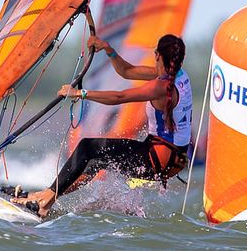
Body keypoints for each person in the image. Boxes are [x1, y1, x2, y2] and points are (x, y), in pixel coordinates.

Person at [21, 34, 192, 217]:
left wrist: (80, 93)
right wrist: (109, 50)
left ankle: (43, 201)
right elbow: (127, 71)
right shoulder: (178, 76)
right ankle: (46, 197)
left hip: (158, 158)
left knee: (87, 147)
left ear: (157, 55)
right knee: (94, 162)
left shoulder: (160, 87)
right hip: (174, 159)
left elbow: (119, 97)